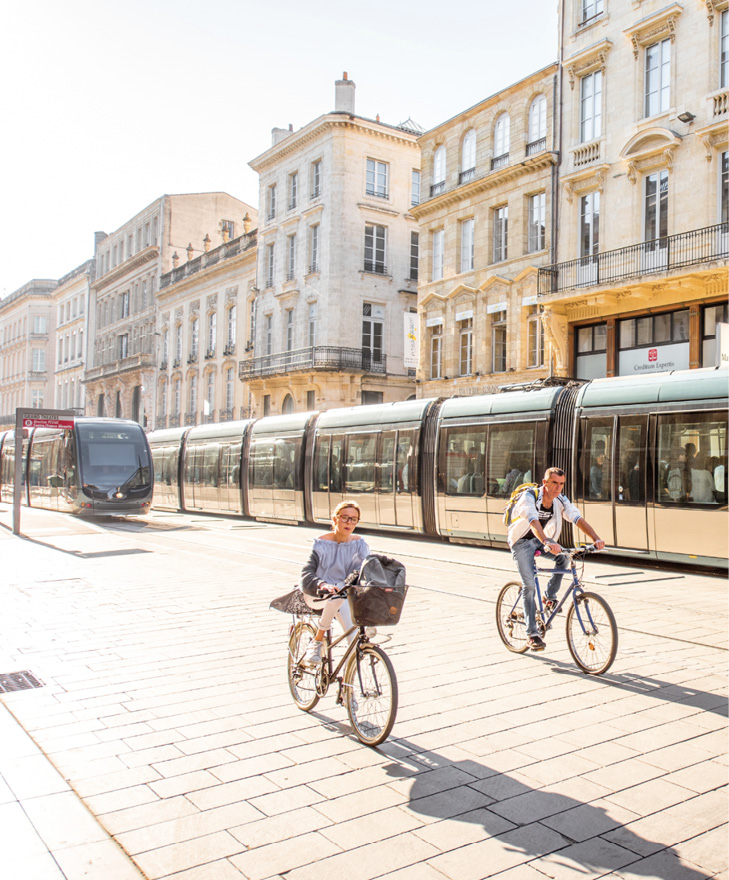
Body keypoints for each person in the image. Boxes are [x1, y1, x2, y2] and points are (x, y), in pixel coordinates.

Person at [508, 467, 605, 651]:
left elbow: (577, 518)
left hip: (542, 541)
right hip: (522, 542)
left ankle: (549, 596)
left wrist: (596, 538)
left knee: (564, 558)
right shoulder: (529, 497)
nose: (558, 488)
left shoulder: (560, 499)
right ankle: (532, 634)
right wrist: (546, 540)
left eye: (561, 484)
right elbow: (532, 520)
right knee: (528, 585)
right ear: (545, 483)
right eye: (554, 483)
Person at [299, 500, 370, 666]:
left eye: (354, 519)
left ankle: (347, 689)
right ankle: (317, 640)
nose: (349, 523)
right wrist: (322, 585)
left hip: (344, 595)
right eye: (345, 518)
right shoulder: (321, 544)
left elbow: (369, 567)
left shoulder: (360, 544)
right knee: (336, 595)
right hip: (318, 594)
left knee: (354, 642)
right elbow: (306, 572)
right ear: (335, 519)